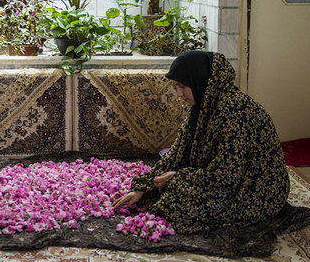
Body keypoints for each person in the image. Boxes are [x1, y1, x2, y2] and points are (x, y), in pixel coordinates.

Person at [113, 51, 290, 233]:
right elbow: (176, 153)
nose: (179, 94)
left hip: (255, 187)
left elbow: (226, 175)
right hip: (223, 178)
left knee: (180, 202)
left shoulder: (234, 111)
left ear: (201, 80)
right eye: (175, 87)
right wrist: (143, 186)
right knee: (166, 192)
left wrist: (178, 176)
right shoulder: (202, 105)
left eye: (183, 86)